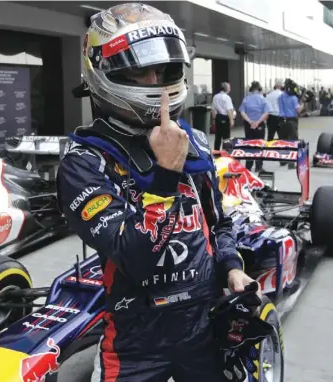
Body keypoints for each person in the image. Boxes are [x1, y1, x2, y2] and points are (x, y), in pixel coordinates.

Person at [56, 4, 259, 381]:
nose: (156, 81)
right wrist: (166, 175)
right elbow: (135, 257)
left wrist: (232, 267)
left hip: (203, 327)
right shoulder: (85, 162)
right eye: (139, 70)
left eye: (163, 69)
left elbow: (218, 222)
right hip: (136, 340)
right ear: (105, 73)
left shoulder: (192, 140)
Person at [239, 81, 271, 172]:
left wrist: (250, 122)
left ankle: (248, 166)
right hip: (259, 124)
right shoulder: (263, 99)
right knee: (260, 145)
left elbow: (242, 112)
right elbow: (266, 113)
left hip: (248, 125)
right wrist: (257, 122)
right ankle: (258, 166)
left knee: (249, 145)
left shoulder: (246, 99)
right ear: (259, 89)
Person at [278, 78, 304, 169]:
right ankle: (291, 163)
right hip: (291, 121)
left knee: (283, 141)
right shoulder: (293, 98)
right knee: (292, 141)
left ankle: (282, 161)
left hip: (281, 121)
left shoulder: (280, 96)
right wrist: (302, 105)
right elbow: (298, 110)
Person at [211, 82, 235, 150]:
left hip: (218, 117)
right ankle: (226, 152)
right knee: (226, 138)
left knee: (218, 137)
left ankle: (216, 153)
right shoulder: (227, 97)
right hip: (225, 118)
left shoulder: (215, 96)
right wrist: (231, 120)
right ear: (226, 88)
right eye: (229, 87)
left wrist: (213, 120)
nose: (230, 89)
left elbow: (213, 109)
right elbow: (229, 110)